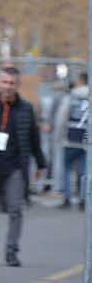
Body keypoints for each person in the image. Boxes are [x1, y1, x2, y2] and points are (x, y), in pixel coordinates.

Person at [0, 66, 46, 267]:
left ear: (17, 85)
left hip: (15, 167)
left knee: (15, 209)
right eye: (5, 82)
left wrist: (41, 163)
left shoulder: (26, 108)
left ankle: (11, 252)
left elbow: (34, 138)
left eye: (12, 83)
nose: (8, 87)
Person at [54, 73, 88, 210]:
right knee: (85, 171)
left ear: (80, 81)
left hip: (70, 137)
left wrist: (58, 137)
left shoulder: (71, 96)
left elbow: (62, 117)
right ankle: (83, 199)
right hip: (86, 140)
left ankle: (66, 197)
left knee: (66, 169)